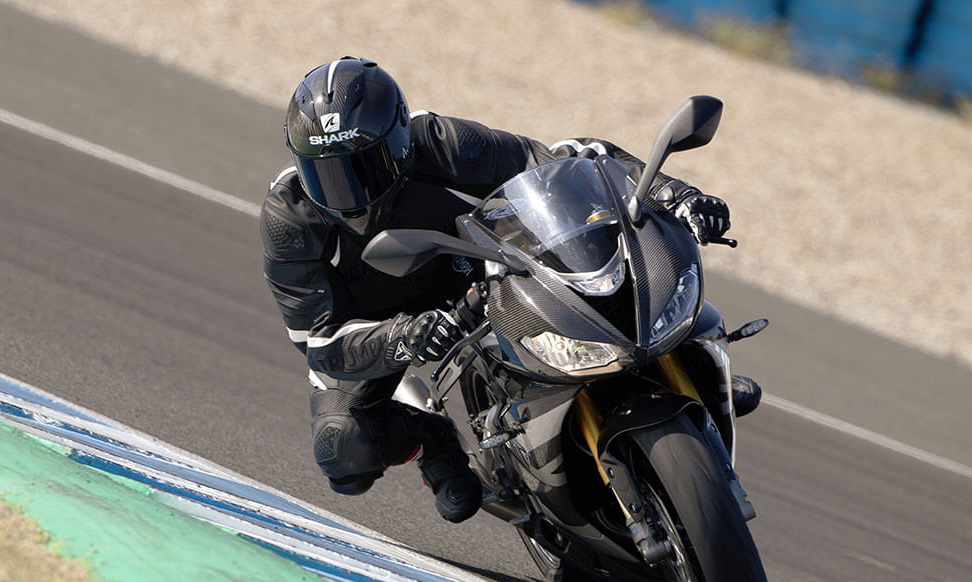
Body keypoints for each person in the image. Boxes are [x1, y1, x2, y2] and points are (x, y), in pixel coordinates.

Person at [260, 57, 750, 524]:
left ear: (399, 140)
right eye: (323, 173)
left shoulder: (444, 142)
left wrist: (676, 194)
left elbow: (562, 160)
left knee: (616, 276)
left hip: (473, 275)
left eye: (362, 167)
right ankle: (432, 436)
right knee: (342, 450)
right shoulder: (288, 220)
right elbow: (317, 341)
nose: (347, 193)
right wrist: (402, 338)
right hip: (381, 327)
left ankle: (692, 357)